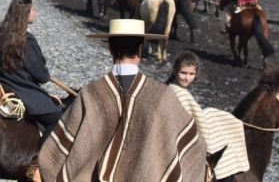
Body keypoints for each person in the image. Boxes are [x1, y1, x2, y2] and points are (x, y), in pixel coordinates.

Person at [40, 19, 206, 182]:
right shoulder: (162, 97)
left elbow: (54, 155)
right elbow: (195, 150)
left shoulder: (90, 94)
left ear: (110, 48)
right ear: (141, 50)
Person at [0, 0, 61, 146]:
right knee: (59, 121)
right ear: (26, 13)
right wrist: (46, 75)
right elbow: (40, 74)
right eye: (33, 9)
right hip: (21, 89)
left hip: (0, 82)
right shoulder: (26, 40)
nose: (35, 13)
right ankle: (38, 161)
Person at [166, 52, 249, 179]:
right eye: (184, 73)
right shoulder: (178, 93)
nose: (187, 78)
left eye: (191, 74)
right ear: (175, 71)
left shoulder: (175, 89)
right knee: (225, 156)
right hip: (184, 144)